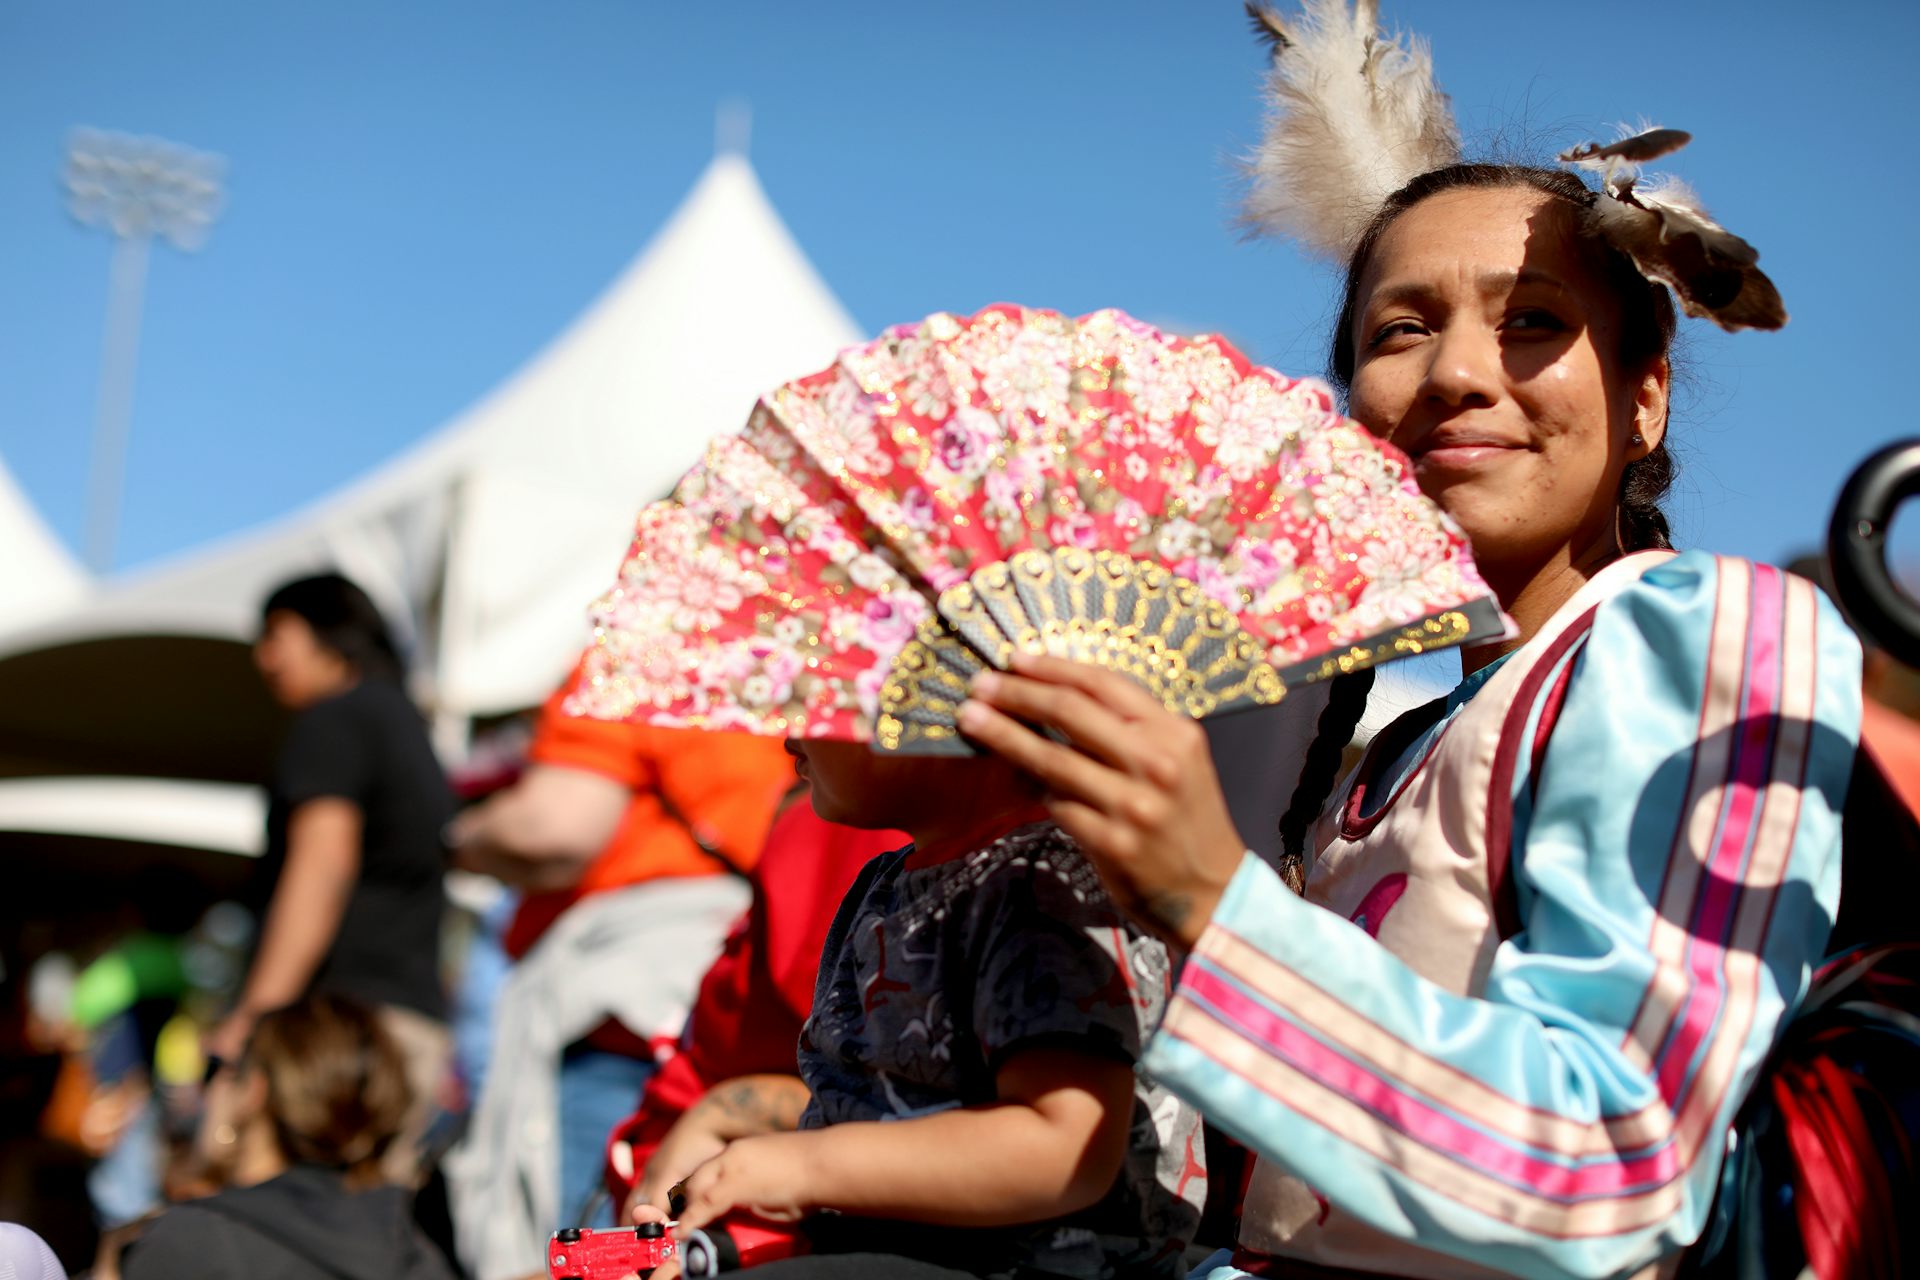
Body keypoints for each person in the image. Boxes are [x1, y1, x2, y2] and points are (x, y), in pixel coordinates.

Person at [953, 8, 1860, 1276]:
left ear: (1643, 393)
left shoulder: (1709, 637)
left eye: (1533, 320)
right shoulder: (1352, 726)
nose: (1456, 374)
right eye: (1399, 330)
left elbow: (1614, 1163)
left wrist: (1214, 898)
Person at [644, 741, 1205, 1280]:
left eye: (830, 708)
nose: (791, 738)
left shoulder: (1048, 885)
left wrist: (801, 1169)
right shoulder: (886, 882)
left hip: (1045, 1262)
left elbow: (1067, 1150)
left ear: (932, 713)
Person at [443, 662, 793, 1275]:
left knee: (587, 1250)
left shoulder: (636, 653)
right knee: (640, 1252)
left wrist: (461, 836)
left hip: (612, 1021)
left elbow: (554, 827)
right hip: (720, 1015)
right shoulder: (793, 664)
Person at [215, 573, 453, 1185]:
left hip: (327, 1034)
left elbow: (321, 866)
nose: (263, 659)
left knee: (269, 1220)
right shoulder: (407, 727)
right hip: (409, 1026)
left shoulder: (336, 720)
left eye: (275, 635)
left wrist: (256, 1016)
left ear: (330, 634)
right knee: (363, 1223)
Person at [605, 799, 905, 1219]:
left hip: (735, 1200)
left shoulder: (854, 815)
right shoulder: (838, 806)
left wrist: (719, 1113)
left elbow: (897, 1100)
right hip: (689, 1186)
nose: (792, 738)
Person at [120, 993, 455, 1280]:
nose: (210, 1091)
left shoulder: (191, 1244)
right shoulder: (417, 1254)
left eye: (218, 1069)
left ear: (253, 1092)